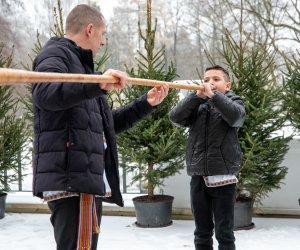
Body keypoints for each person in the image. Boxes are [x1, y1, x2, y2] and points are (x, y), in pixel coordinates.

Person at [31, 4, 169, 250]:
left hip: (83, 180)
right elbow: (44, 94)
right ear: (90, 29)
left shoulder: (83, 68)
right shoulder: (56, 55)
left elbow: (107, 125)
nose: (103, 42)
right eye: (103, 34)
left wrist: (146, 103)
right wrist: (97, 83)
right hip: (72, 179)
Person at [168, 65, 246, 250]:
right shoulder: (198, 105)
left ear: (227, 86)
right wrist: (196, 97)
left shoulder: (234, 101)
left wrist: (214, 96)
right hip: (198, 174)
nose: (209, 83)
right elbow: (175, 117)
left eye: (216, 79)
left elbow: (236, 117)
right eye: (206, 80)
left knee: (224, 231)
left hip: (224, 176)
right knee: (201, 231)